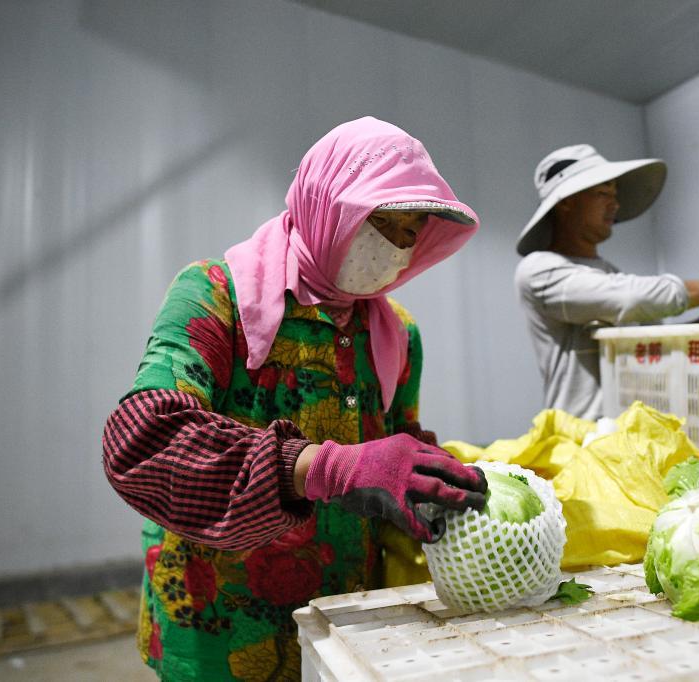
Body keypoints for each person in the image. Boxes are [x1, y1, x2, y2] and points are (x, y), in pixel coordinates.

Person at [102, 117, 488, 681]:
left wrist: (447, 478)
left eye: (410, 231)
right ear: (326, 206)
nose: (395, 247)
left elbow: (394, 448)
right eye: (381, 222)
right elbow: (145, 441)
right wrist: (328, 468)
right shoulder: (217, 297)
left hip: (347, 618)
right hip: (220, 627)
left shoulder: (397, 334)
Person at [514, 144, 699, 421]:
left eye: (615, 195)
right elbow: (630, 299)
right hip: (579, 435)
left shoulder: (609, 273)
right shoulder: (540, 271)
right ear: (566, 202)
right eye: (602, 193)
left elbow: (656, 347)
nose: (615, 204)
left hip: (632, 433)